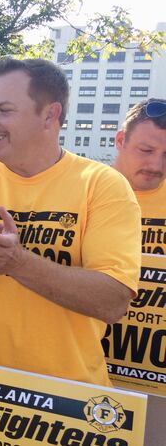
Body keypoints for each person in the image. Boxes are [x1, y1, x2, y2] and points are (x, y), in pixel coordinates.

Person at [0, 57, 141, 387]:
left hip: (68, 401)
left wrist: (18, 263)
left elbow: (113, 301)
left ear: (50, 115)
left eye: (4, 110)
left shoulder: (101, 185)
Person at [112, 98, 166, 446]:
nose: (156, 165)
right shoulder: (84, 191)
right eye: (146, 150)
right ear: (120, 141)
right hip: (84, 370)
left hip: (155, 381)